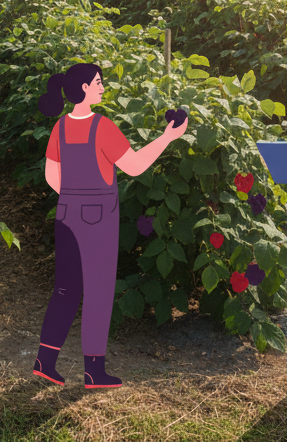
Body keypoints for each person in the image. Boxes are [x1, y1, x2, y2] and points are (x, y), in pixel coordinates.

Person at [33, 63, 189, 389]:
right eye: (99, 83)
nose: (103, 88)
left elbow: (51, 175)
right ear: (85, 88)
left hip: (66, 213)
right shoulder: (102, 127)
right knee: (99, 292)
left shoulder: (60, 127)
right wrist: (167, 137)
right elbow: (134, 167)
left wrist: (73, 195)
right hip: (98, 215)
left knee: (65, 289)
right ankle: (93, 371)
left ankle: (45, 361)